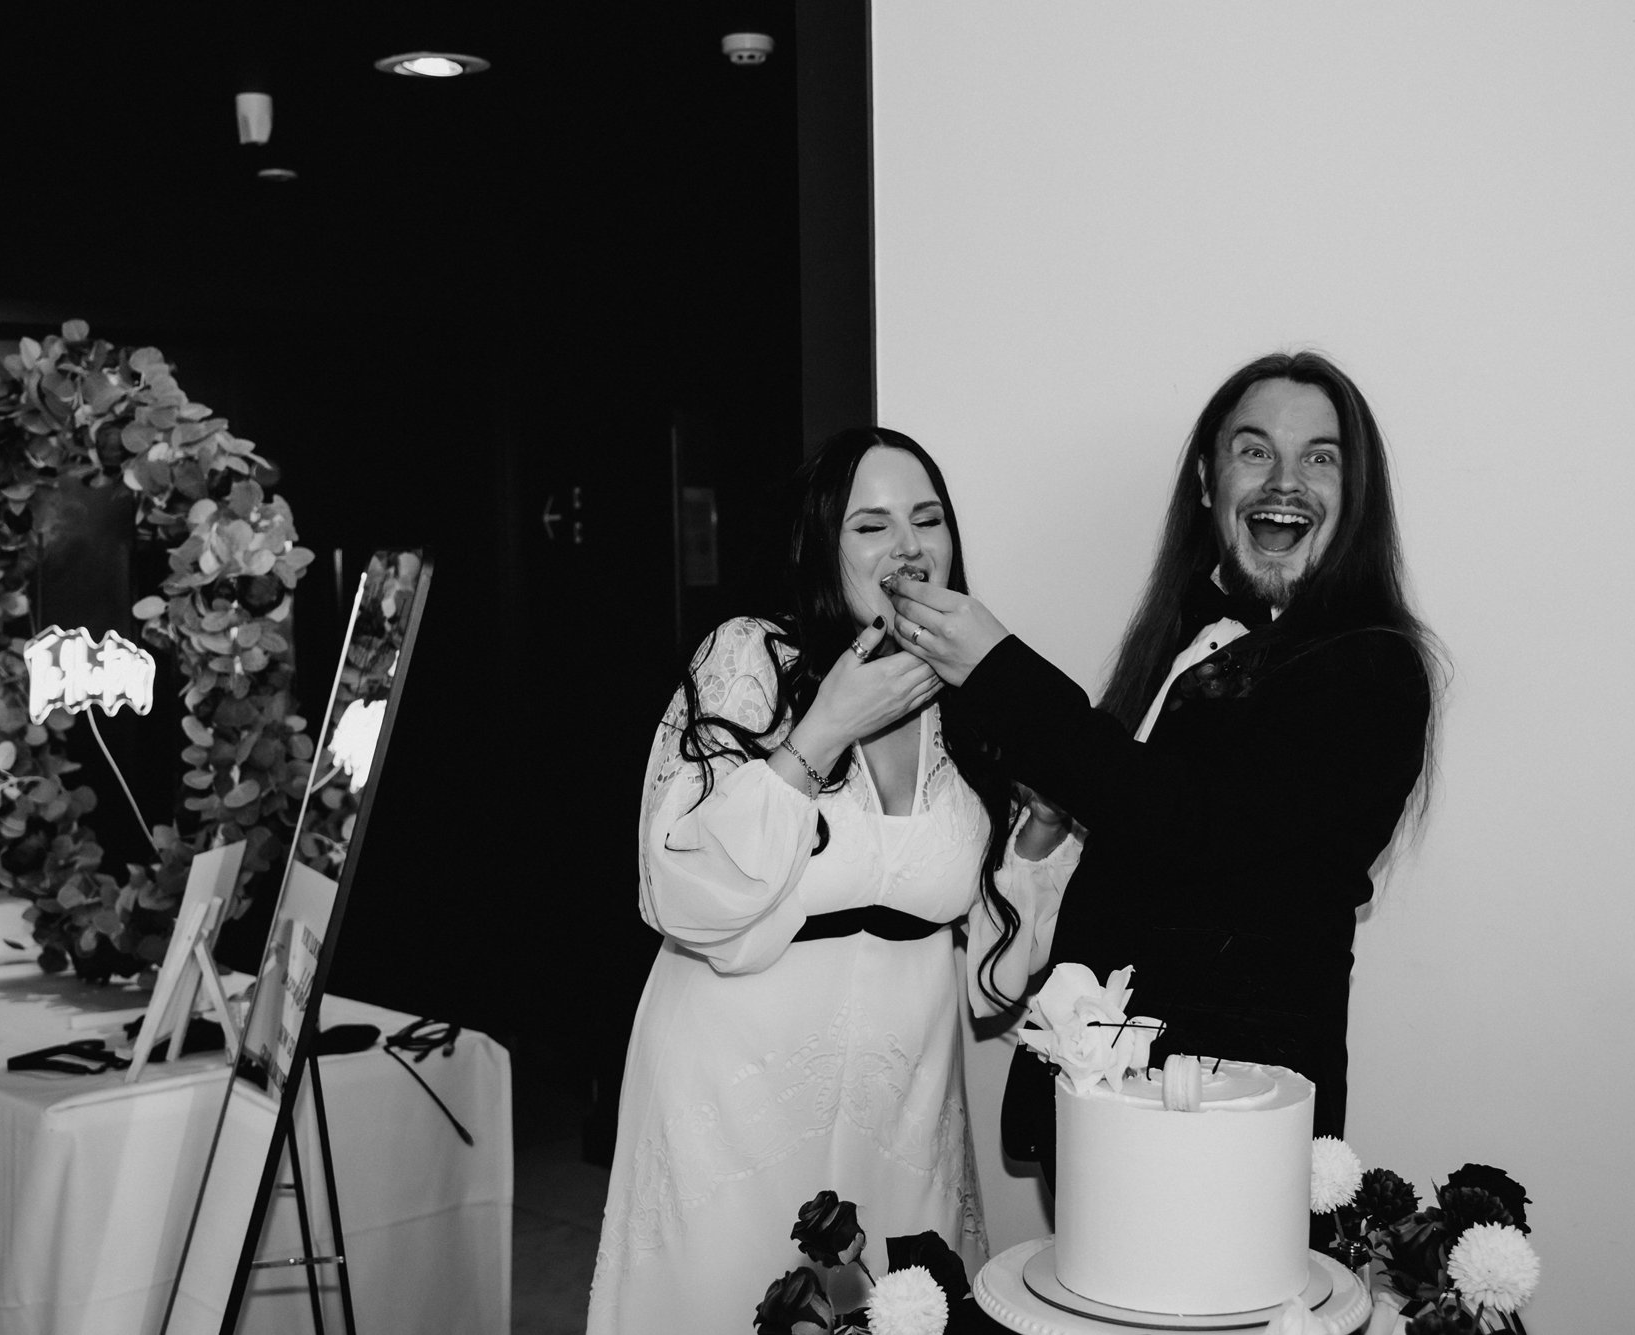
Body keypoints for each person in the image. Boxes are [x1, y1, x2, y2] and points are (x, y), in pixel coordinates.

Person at [586, 428, 1077, 1335]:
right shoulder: (750, 658)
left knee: (897, 1307)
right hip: (730, 1098)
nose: (910, 547)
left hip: (905, 1104)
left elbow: (993, 980)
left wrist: (1042, 829)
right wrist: (821, 731)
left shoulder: (973, 694)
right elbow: (676, 883)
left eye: (928, 519)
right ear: (824, 546)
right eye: (873, 524)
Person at [886, 351, 1440, 1152]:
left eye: (1320, 457)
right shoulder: (1180, 639)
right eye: (1255, 451)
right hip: (1108, 1101)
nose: (1285, 480)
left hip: (1226, 1120)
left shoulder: (1373, 668)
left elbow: (1207, 829)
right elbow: (1135, 843)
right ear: (1209, 485)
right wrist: (1050, 824)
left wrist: (1000, 669)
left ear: (1355, 496)